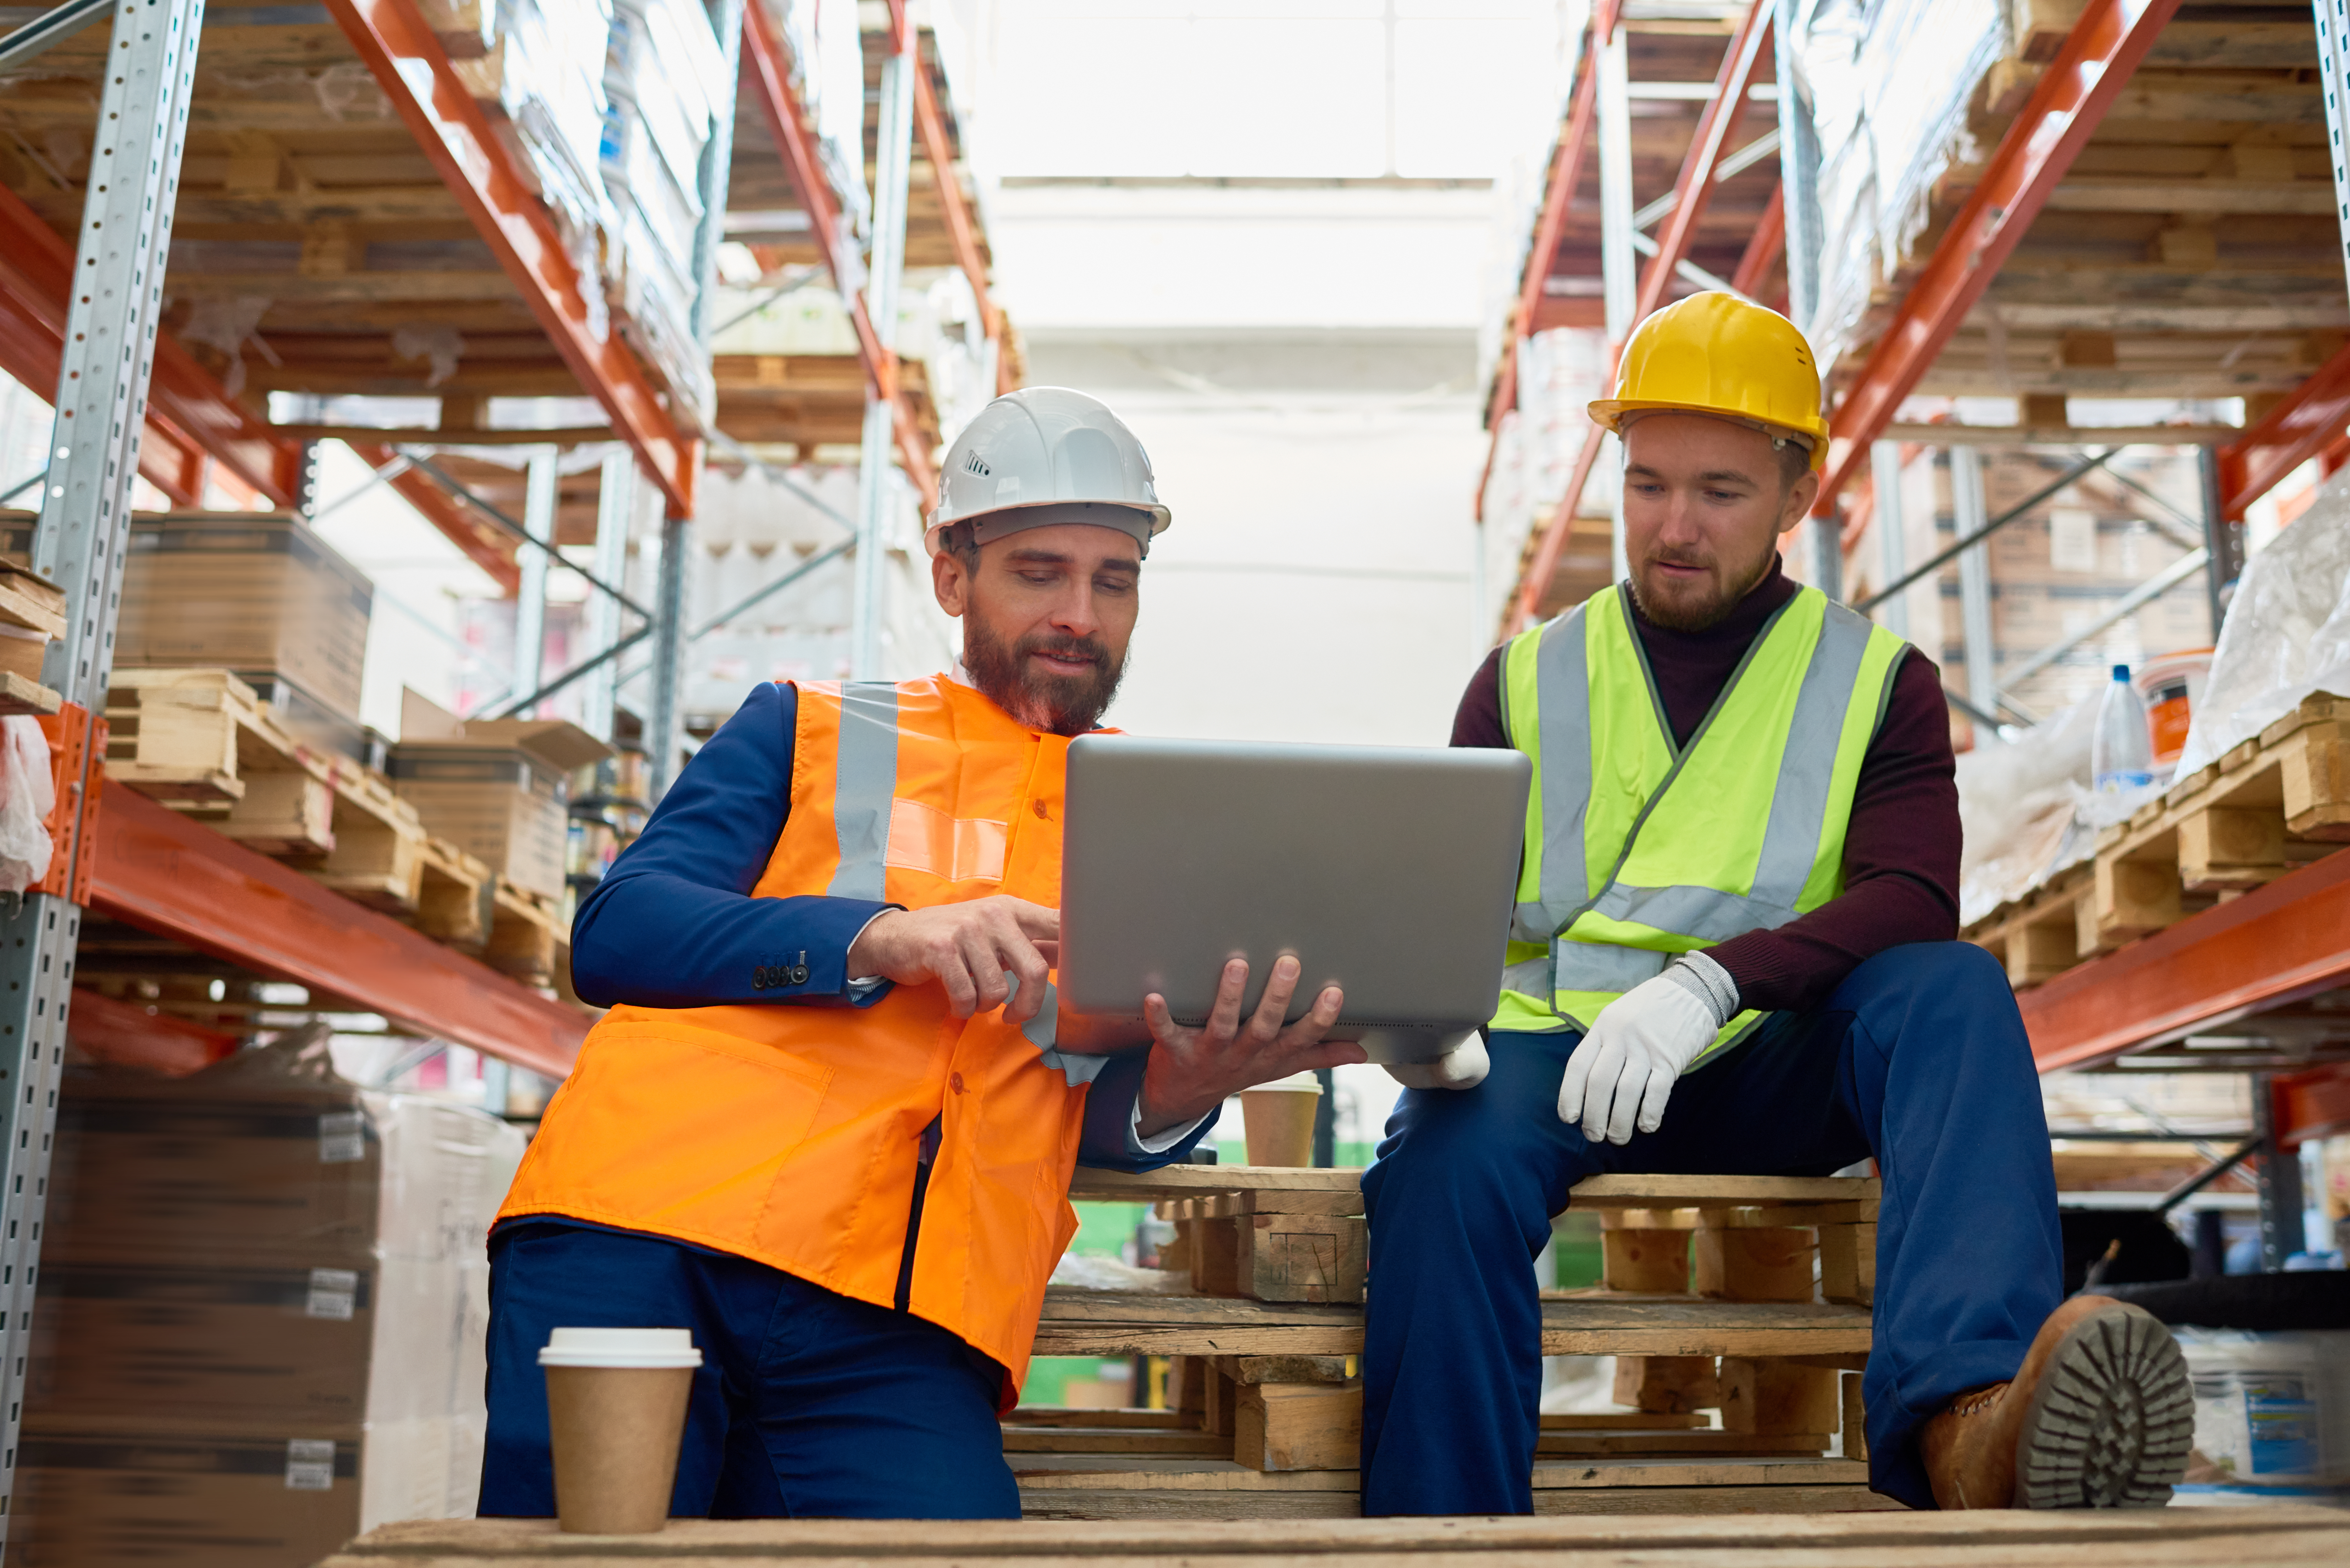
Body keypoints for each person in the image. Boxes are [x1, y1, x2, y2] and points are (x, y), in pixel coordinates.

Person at [1361, 294, 2194, 1515]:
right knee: (1439, 1162)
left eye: (1720, 492)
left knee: (1951, 995)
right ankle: (1447, 1533)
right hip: (1562, 1072)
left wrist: (1713, 982)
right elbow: (1452, 911)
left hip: (1765, 1064)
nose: (1674, 526)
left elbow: (1912, 897)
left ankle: (1969, 1431)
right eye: (1647, 485)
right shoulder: (1521, 683)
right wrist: (1419, 1022)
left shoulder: (1878, 684)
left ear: (1797, 496)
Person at [480, 387, 1365, 1520]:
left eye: (1115, 579)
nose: (1080, 615)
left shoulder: (1169, 816)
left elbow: (1074, 1096)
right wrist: (880, 935)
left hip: (906, 1311)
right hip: (651, 1232)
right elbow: (618, 935)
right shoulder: (808, 723)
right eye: (1039, 571)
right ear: (954, 577)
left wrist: (1182, 1091)